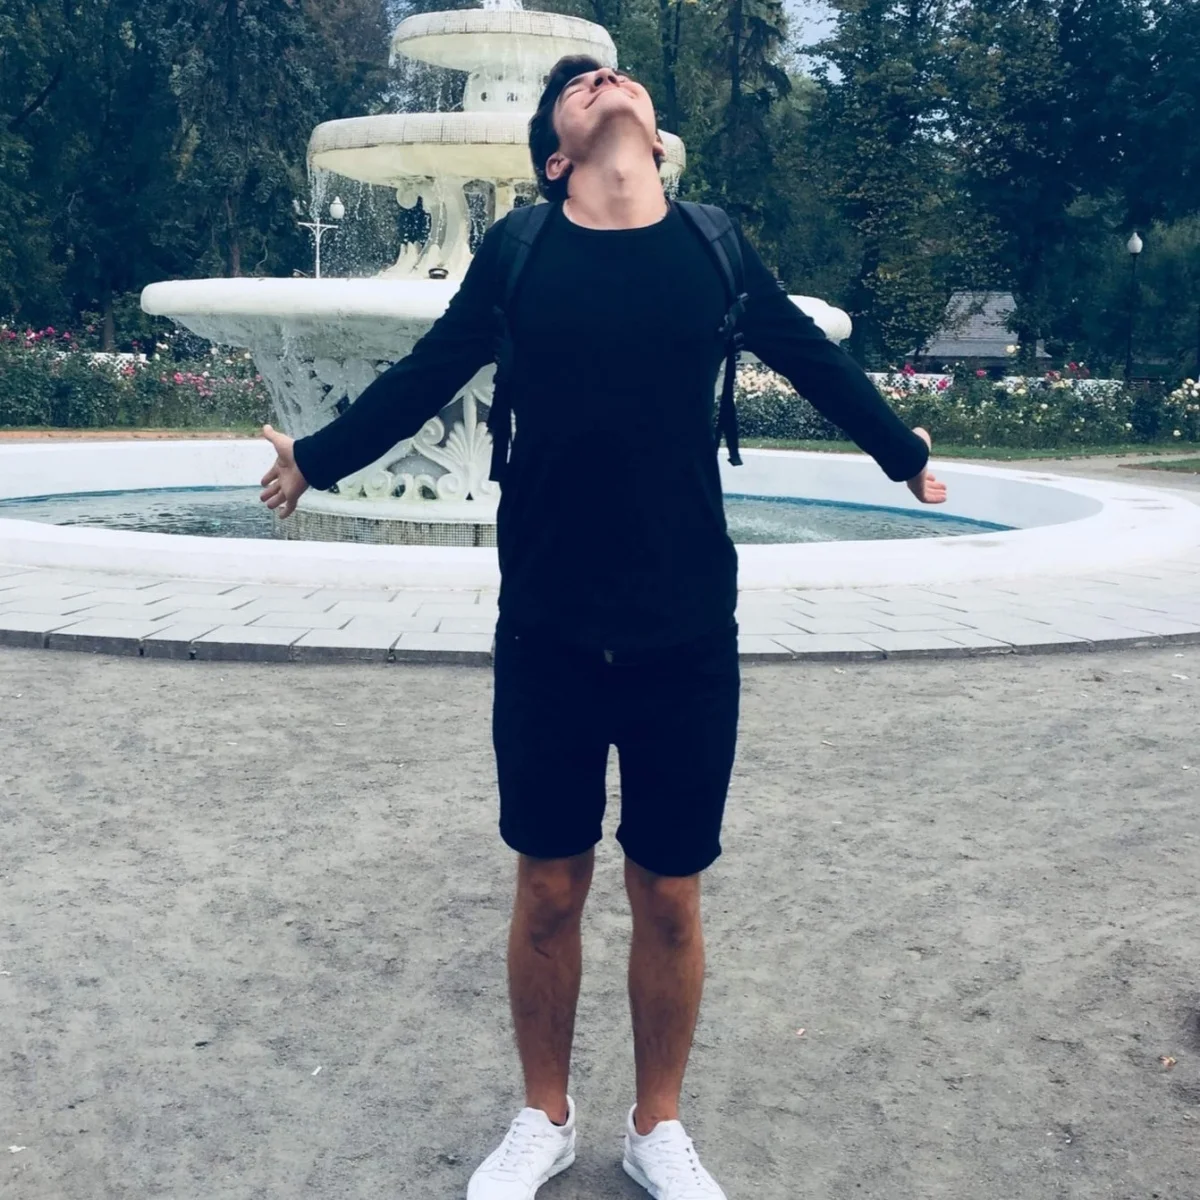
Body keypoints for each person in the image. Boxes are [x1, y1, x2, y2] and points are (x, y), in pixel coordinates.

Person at [260, 55, 946, 1200]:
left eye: (613, 76)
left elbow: (810, 358)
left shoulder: (715, 249)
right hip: (549, 628)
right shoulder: (521, 252)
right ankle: (544, 1115)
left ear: (657, 134)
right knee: (549, 886)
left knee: (669, 895)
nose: (603, 78)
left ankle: (655, 1126)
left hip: (687, 630)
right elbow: (428, 374)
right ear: (554, 157)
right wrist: (315, 461)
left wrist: (900, 450)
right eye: (578, 86)